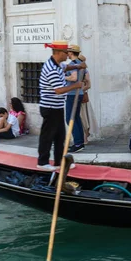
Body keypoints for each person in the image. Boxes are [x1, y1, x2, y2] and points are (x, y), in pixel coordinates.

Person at [37, 40, 85, 172]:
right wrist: (76, 85)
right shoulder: (51, 68)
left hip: (57, 107)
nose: (68, 55)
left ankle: (59, 162)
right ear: (58, 53)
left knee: (60, 136)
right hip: (50, 107)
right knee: (47, 136)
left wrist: (78, 66)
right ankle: (42, 162)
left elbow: (66, 67)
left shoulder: (57, 64)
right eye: (66, 52)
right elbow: (58, 90)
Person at [64, 44, 85, 153]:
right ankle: (80, 142)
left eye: (68, 52)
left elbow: (74, 77)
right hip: (79, 93)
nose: (66, 53)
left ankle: (78, 143)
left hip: (73, 94)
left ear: (71, 53)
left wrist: (62, 76)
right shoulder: (82, 64)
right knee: (76, 118)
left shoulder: (73, 64)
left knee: (70, 118)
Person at [78, 54, 95, 144]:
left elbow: (89, 85)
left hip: (82, 98)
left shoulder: (85, 71)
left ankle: (85, 138)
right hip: (77, 97)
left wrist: (79, 90)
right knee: (80, 119)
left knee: (84, 118)